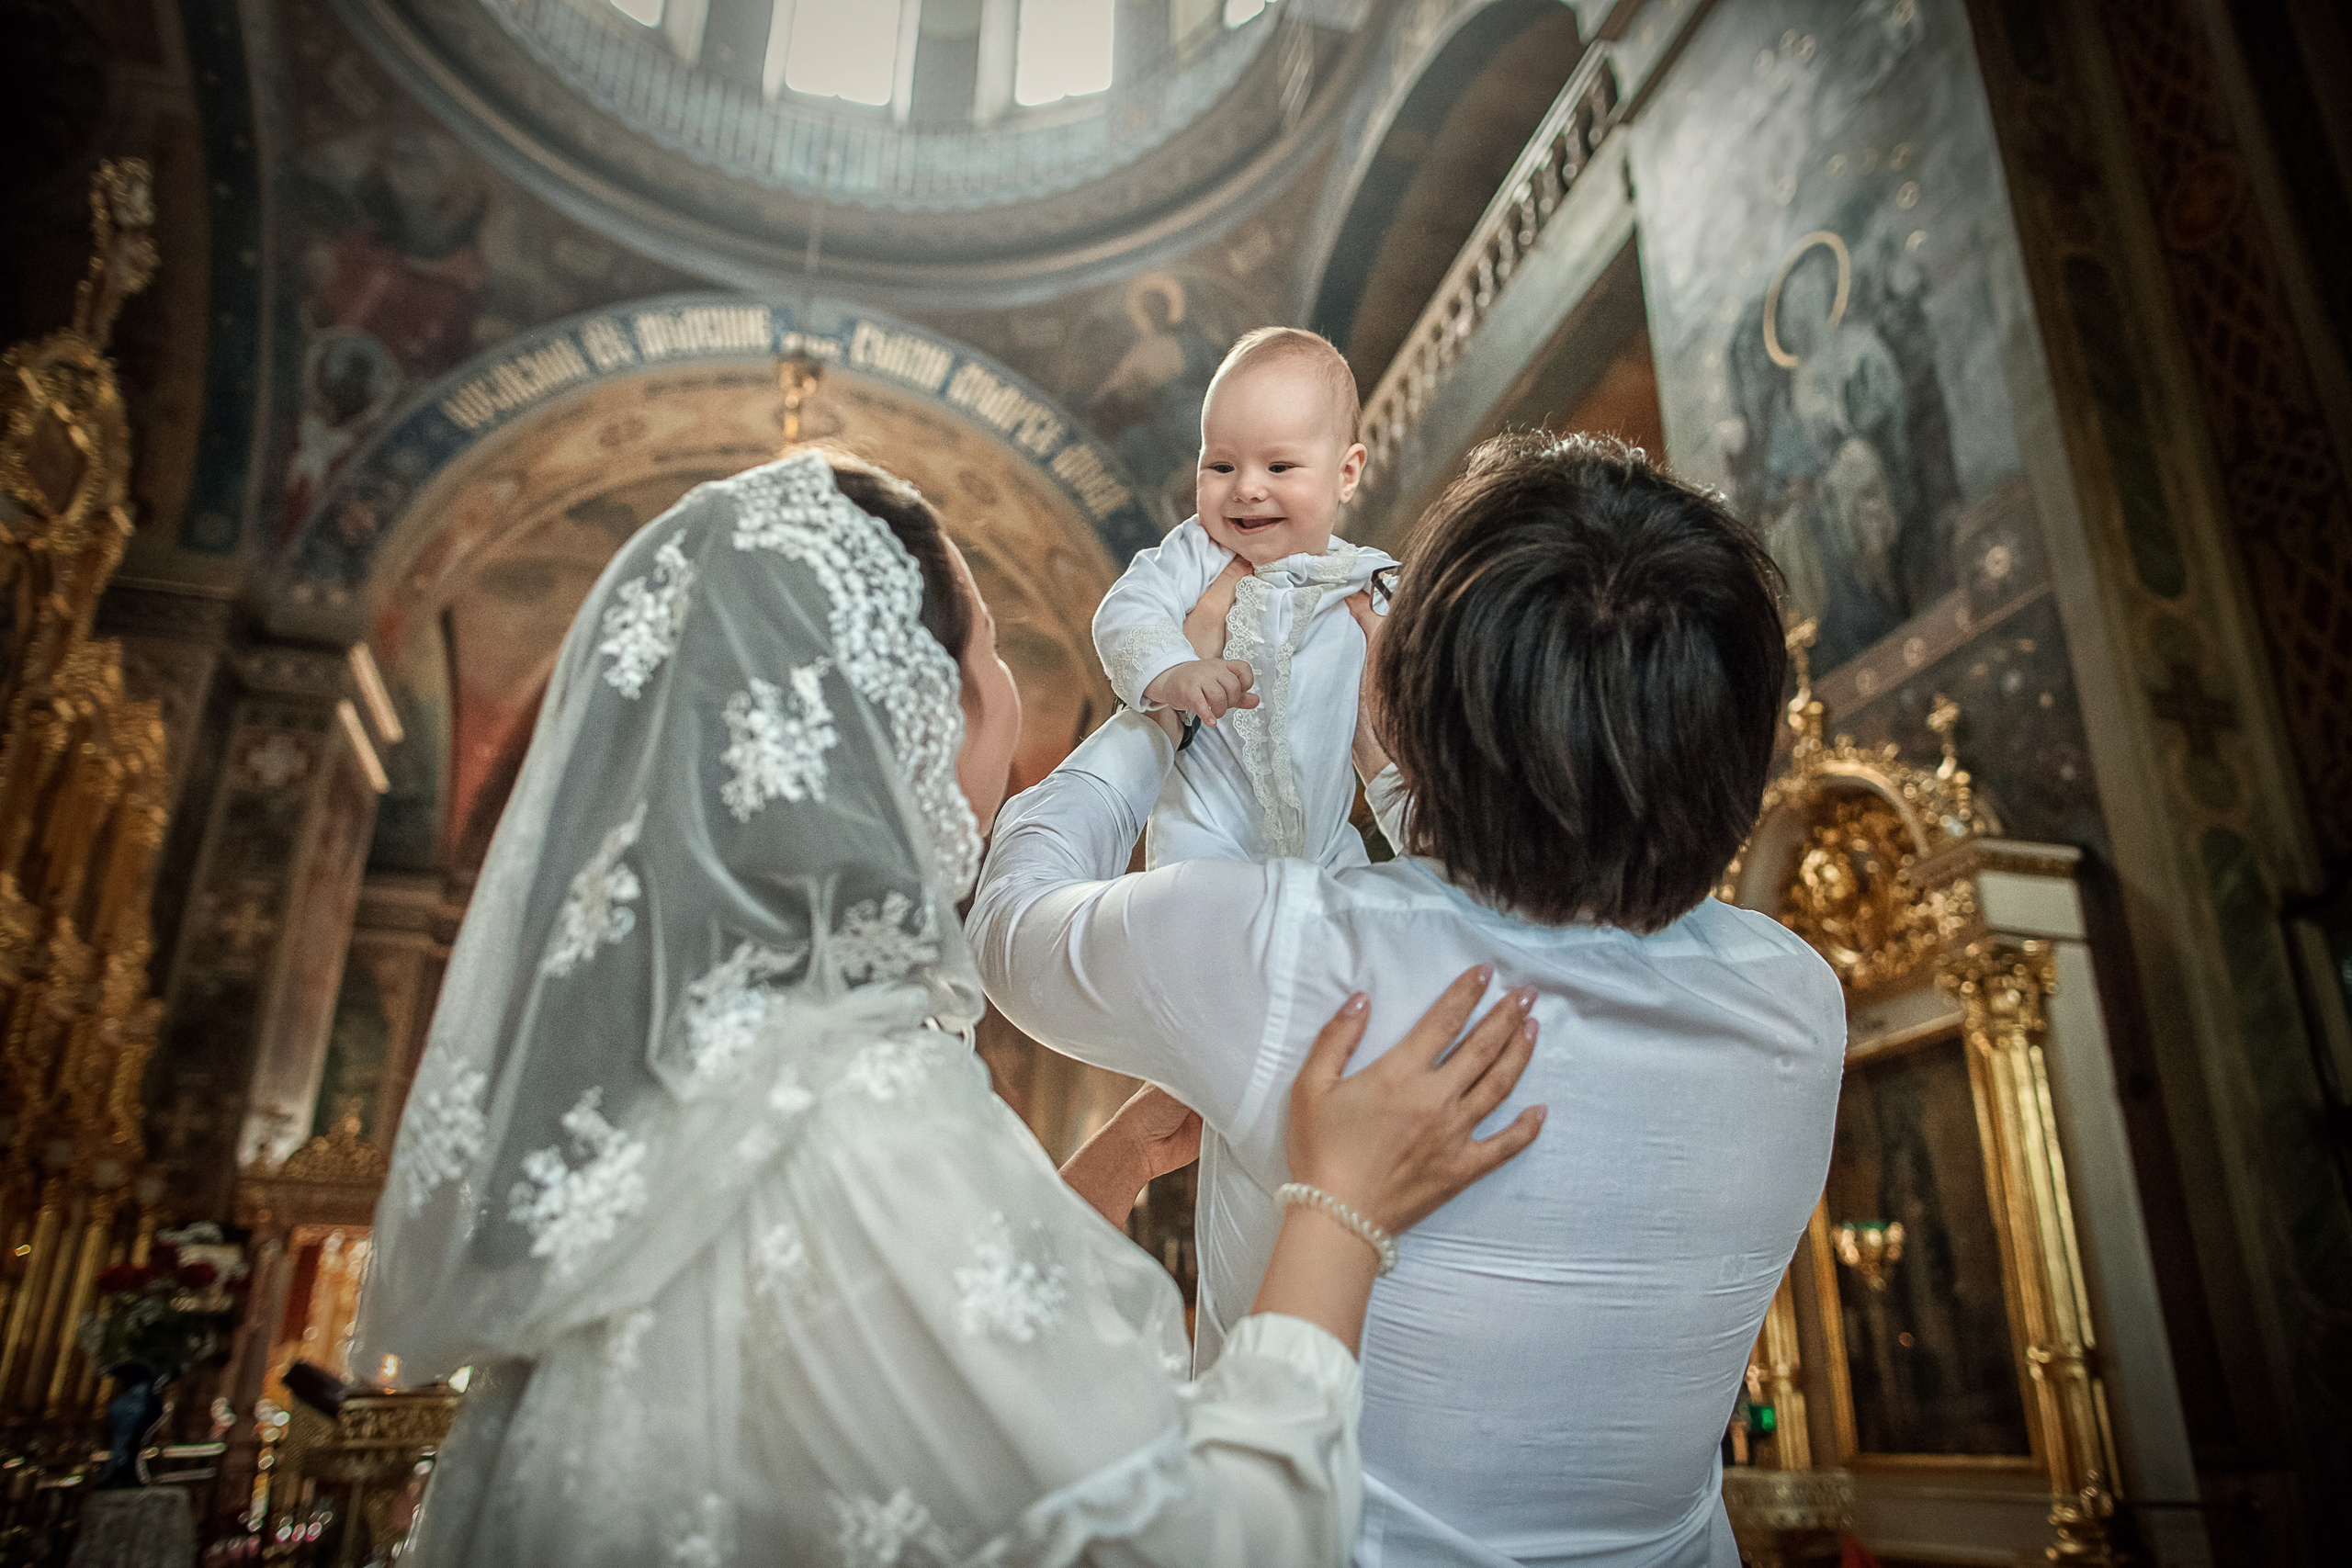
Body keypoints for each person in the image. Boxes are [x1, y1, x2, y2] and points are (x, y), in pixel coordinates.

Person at [353, 446, 1544, 1568]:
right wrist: (1341, 1210)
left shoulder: (701, 1061)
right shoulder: (866, 1101)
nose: (1003, 683)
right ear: (916, 719)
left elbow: (880, 1339)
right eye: (987, 651)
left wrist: (1118, 1157)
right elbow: (1204, 1541)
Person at [971, 433, 1849, 1565]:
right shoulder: (1793, 998)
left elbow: (1012, 926)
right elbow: (1551, 881)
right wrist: (1408, 761)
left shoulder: (1288, 947)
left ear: (1413, 682)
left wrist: (1163, 702)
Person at [1091, 327, 1397, 867]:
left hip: (1326, 850)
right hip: (1205, 843)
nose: (1247, 488)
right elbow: (1126, 608)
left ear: (1346, 474)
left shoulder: (1364, 577)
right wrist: (1174, 671)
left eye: (1279, 467)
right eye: (1221, 466)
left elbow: (1422, 631)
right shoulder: (1197, 551)